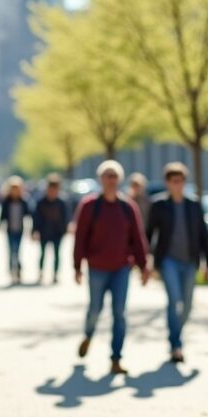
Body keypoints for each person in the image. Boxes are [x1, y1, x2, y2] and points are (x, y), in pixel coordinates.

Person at [73, 160, 151, 375]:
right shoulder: (90, 206)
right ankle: (88, 335)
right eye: (107, 175)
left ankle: (116, 358)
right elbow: (80, 238)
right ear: (101, 179)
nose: (111, 180)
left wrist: (144, 267)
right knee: (95, 309)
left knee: (119, 313)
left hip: (121, 270)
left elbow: (138, 238)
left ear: (120, 179)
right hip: (97, 268)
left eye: (114, 176)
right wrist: (77, 266)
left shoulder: (128, 207)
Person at [146, 162, 208, 363]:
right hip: (168, 261)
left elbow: (203, 235)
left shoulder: (193, 205)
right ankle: (176, 345)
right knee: (174, 300)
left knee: (188, 305)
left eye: (181, 180)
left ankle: (175, 334)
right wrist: (147, 261)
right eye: (174, 181)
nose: (178, 184)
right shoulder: (159, 205)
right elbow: (149, 234)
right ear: (168, 183)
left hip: (190, 261)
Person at [32, 174, 70, 285]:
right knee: (43, 254)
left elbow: (66, 218)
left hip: (57, 233)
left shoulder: (61, 202)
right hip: (44, 232)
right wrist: (35, 231)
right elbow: (36, 218)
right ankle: (40, 272)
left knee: (57, 254)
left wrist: (65, 230)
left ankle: (55, 274)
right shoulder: (41, 202)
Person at [0, 177, 32, 285]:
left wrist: (32, 229)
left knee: (17, 251)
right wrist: (0, 224)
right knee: (11, 251)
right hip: (10, 230)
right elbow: (3, 215)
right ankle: (11, 271)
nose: (15, 191)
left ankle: (18, 271)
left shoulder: (24, 201)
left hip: (19, 230)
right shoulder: (6, 202)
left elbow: (29, 214)